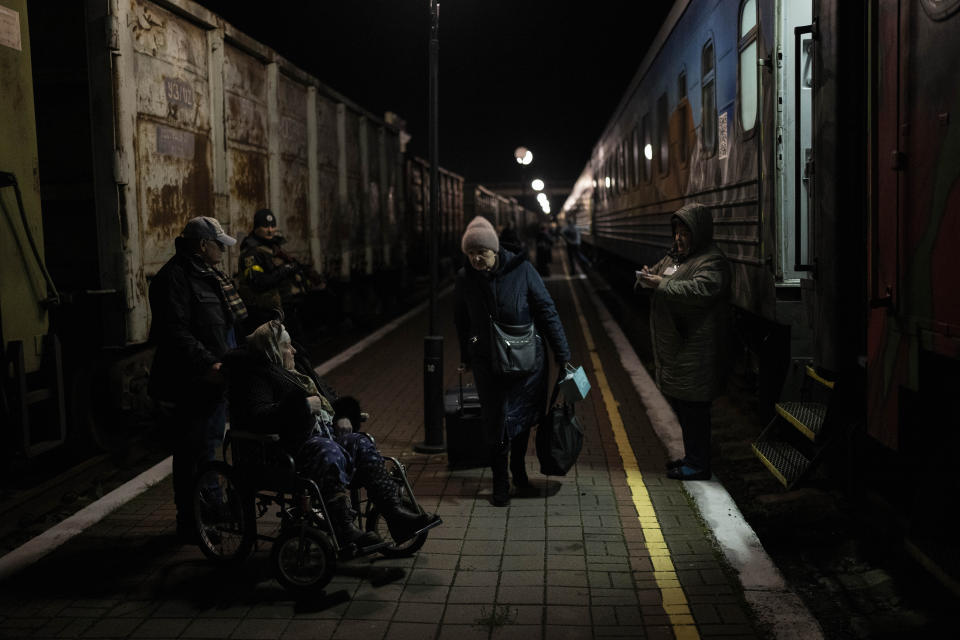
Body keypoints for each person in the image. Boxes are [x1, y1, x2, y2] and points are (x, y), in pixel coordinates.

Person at [223, 320, 441, 546]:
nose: (294, 350)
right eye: (287, 346)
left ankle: (395, 515)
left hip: (323, 437)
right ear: (272, 350)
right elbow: (258, 415)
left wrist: (344, 415)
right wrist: (304, 407)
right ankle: (344, 528)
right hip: (289, 447)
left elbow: (330, 397)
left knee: (362, 442)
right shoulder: (259, 375)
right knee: (329, 451)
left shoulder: (300, 369)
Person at [454, 216, 571, 506]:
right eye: (470, 254)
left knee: (521, 418)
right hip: (488, 360)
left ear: (495, 250)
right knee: (496, 420)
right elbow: (461, 319)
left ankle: (518, 471)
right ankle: (500, 482)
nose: (476, 259)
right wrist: (465, 356)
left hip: (526, 360)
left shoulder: (523, 270)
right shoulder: (465, 278)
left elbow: (546, 310)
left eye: (481, 252)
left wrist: (563, 353)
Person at [148, 216, 248, 541]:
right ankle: (192, 522)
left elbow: (225, 324)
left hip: (217, 378)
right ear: (203, 245)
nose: (223, 250)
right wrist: (210, 364)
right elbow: (175, 332)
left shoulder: (209, 275)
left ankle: (210, 512)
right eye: (219, 244)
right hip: (192, 381)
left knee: (208, 447)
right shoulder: (174, 278)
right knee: (192, 451)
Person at [635, 202, 731, 481]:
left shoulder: (712, 261)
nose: (679, 238)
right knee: (684, 409)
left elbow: (700, 289)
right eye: (676, 232)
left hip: (696, 352)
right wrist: (644, 277)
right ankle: (691, 458)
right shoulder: (675, 259)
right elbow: (655, 274)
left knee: (695, 412)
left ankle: (698, 465)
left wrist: (659, 284)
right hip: (679, 351)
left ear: (699, 233)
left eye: (685, 233)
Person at [236, 208, 323, 339]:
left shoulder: (272, 247)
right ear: (256, 228)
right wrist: (286, 269)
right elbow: (258, 282)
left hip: (281, 310)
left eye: (272, 226)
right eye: (265, 226)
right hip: (265, 314)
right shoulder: (251, 253)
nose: (270, 230)